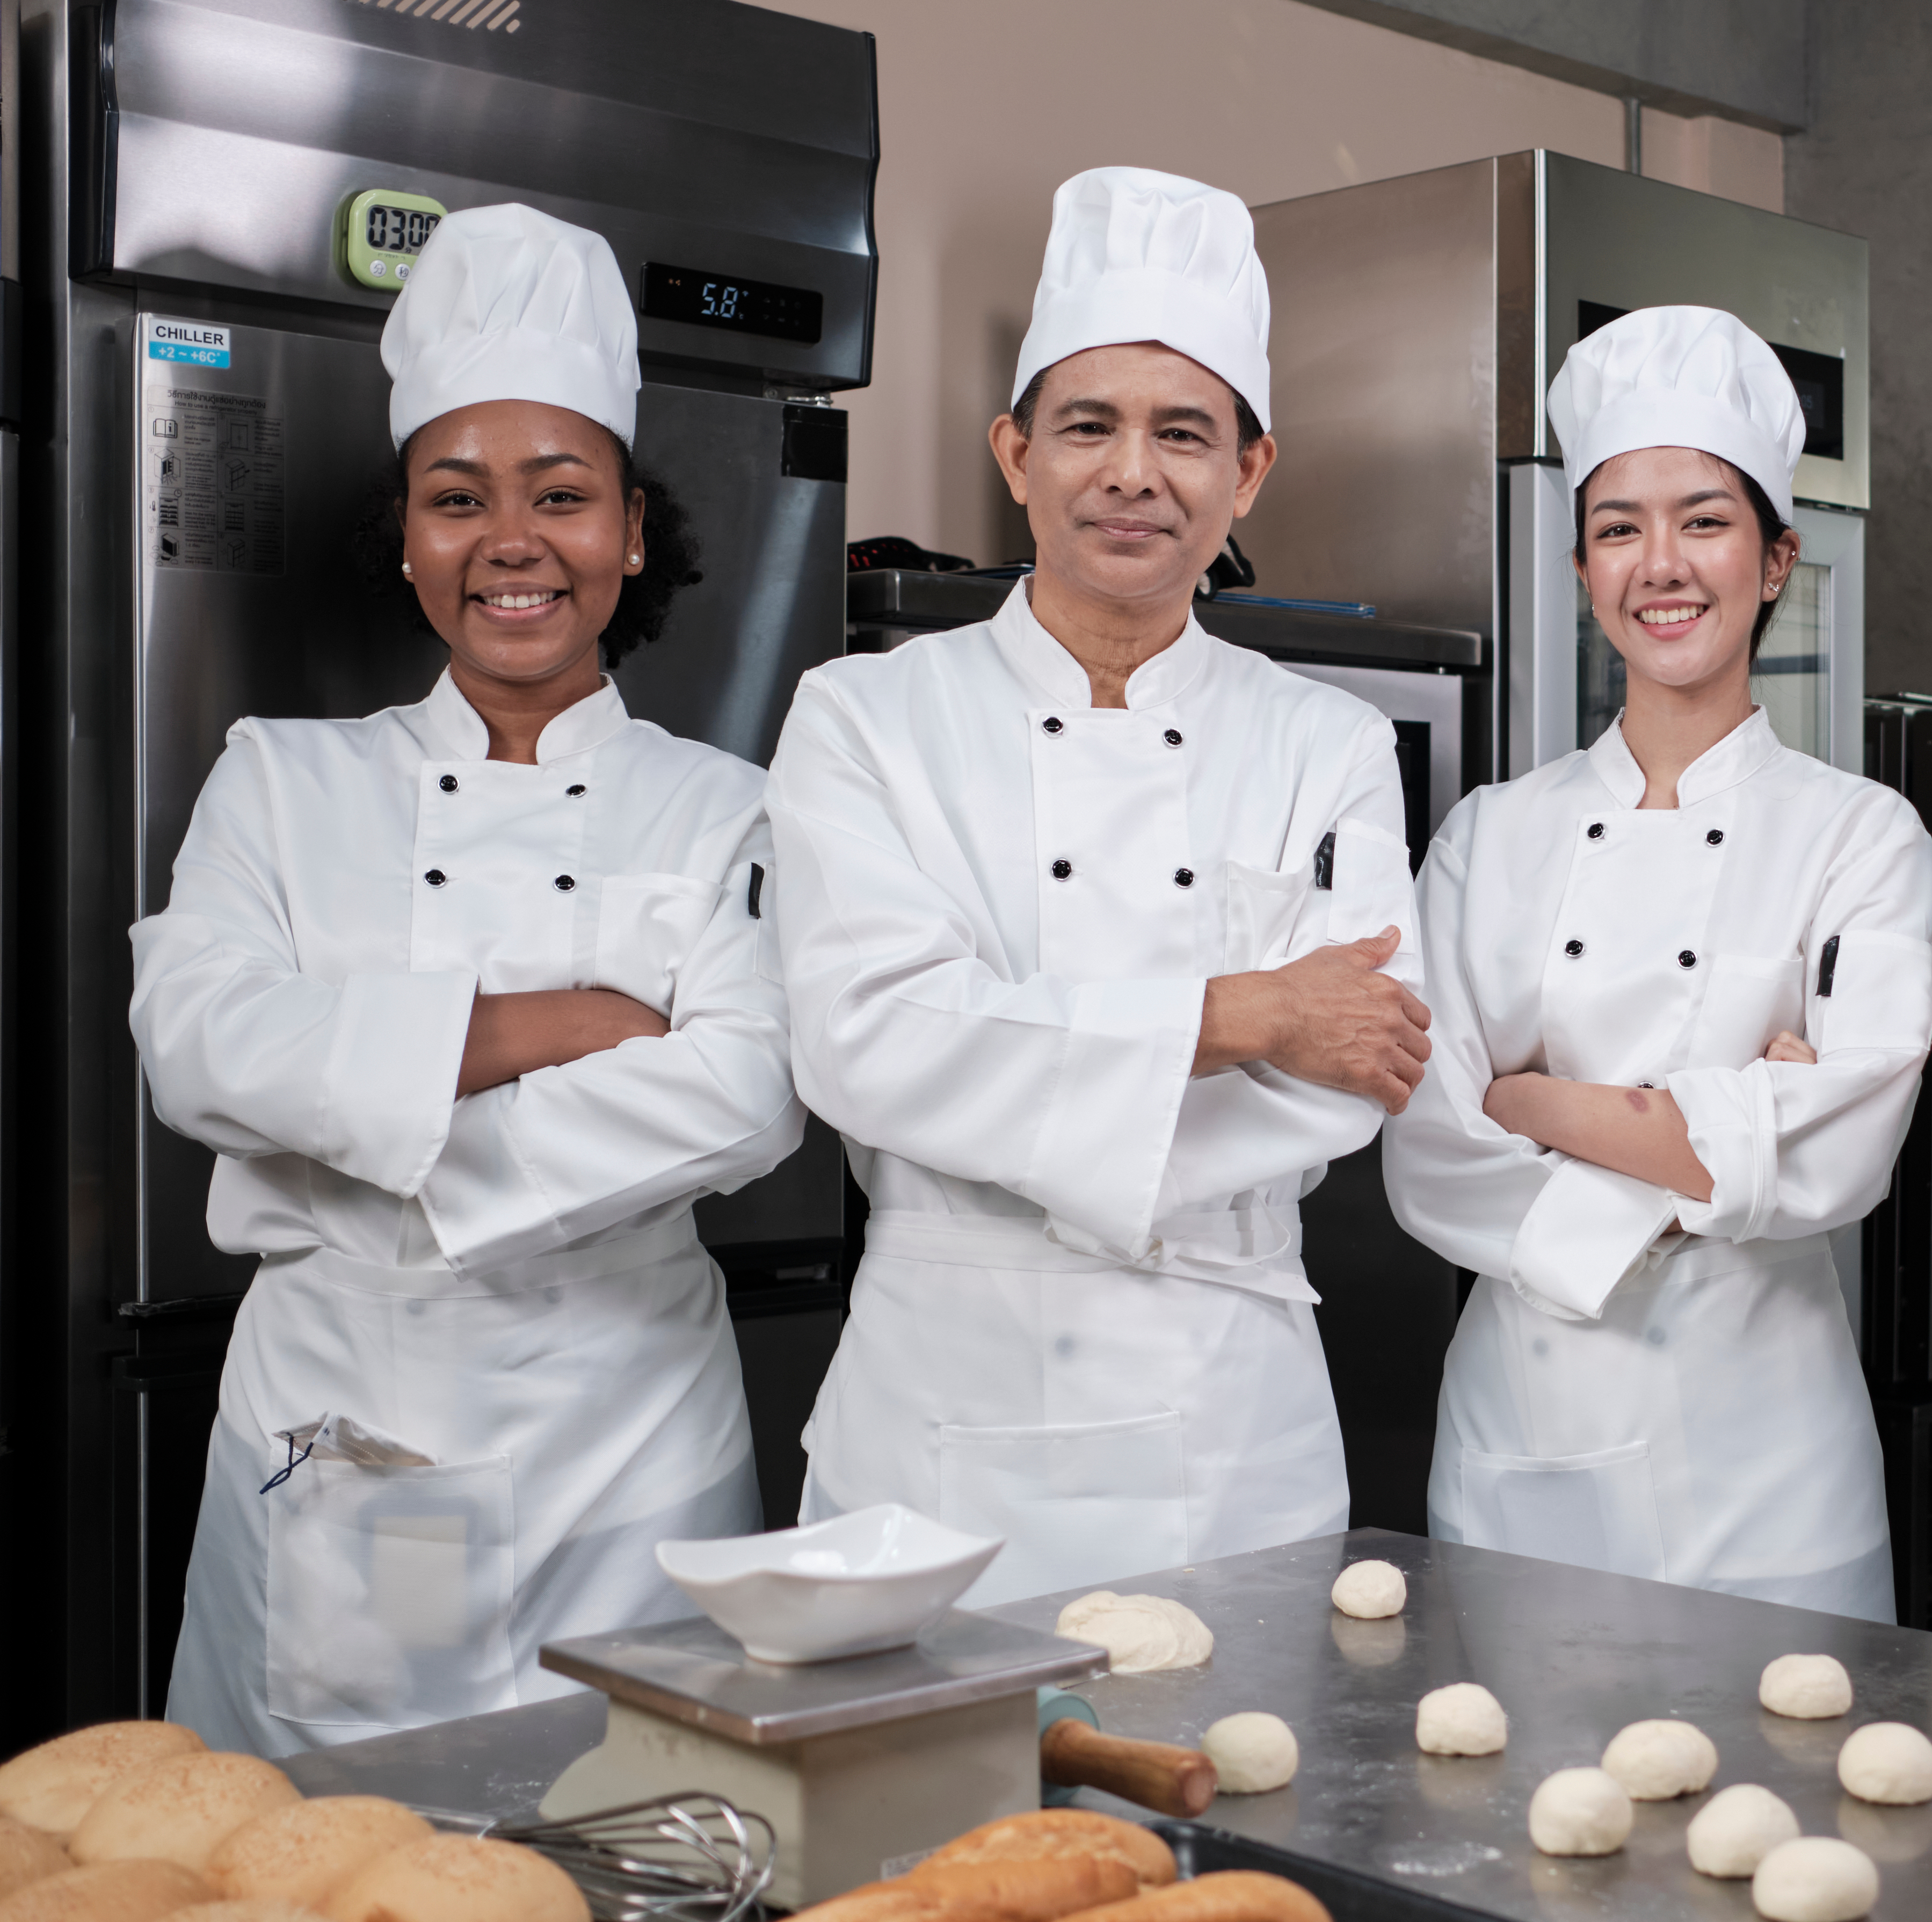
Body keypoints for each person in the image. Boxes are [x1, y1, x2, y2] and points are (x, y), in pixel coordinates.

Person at [132, 204, 804, 1752]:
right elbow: (197, 1043)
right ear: (412, 536)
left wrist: (367, 1115)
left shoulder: (730, 806)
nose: (512, 540)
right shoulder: (283, 779)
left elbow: (749, 1091)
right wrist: (556, 1025)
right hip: (360, 1432)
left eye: (560, 494)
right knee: (345, 1856)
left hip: (628, 1447)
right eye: (459, 497)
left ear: (631, 529)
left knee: (643, 1837)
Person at [766, 167, 1428, 1606]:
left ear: (1249, 472)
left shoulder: (1331, 741)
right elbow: (862, 1043)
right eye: (1089, 426)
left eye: (1184, 432)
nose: (1136, 471)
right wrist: (1246, 1011)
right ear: (1015, 453)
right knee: (941, 1817)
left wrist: (1011, 1050)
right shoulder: (864, 718)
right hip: (945, 1413)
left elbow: (1363, 1065)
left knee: (1250, 1810)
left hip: (1233, 1407)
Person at [1381, 307, 1931, 1622]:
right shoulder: (1486, 835)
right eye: (1618, 527)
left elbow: (1844, 1153)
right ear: (1581, 569)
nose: (1660, 564)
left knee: (1784, 1823)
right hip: (1522, 1437)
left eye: (1703, 519)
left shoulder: (1859, 832)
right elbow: (1426, 1148)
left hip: (1775, 1471)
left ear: (1775, 556)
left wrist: (1539, 1103)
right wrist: (1723, 1129)